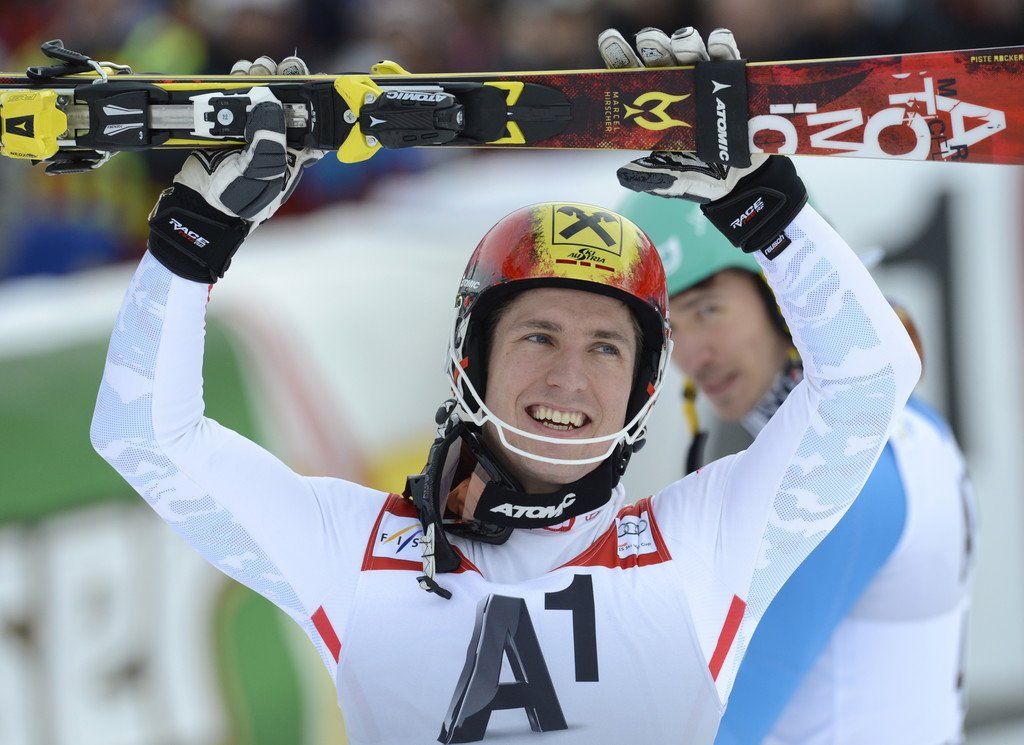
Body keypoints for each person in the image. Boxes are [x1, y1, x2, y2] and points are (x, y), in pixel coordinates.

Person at [90, 29, 921, 744]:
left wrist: (764, 205)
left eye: (606, 347)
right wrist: (193, 236)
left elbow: (871, 380)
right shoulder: (351, 552)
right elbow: (143, 436)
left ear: (643, 389)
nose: (570, 374)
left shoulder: (707, 542)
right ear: (471, 357)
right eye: (538, 335)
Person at [619, 191, 976, 744]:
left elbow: (718, 730)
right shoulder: (899, 426)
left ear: (781, 298)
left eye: (708, 310)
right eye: (673, 329)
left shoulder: (844, 470)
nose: (691, 358)